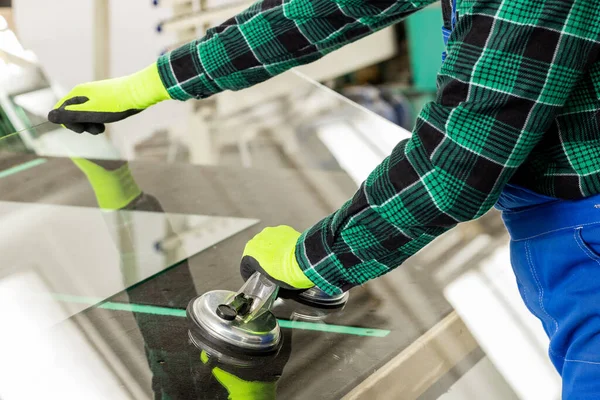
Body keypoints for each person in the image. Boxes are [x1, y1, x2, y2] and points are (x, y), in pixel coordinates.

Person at [48, 0, 600, 397]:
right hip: (551, 219)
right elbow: (319, 11)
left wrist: (312, 261)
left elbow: (456, 166)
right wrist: (155, 83)